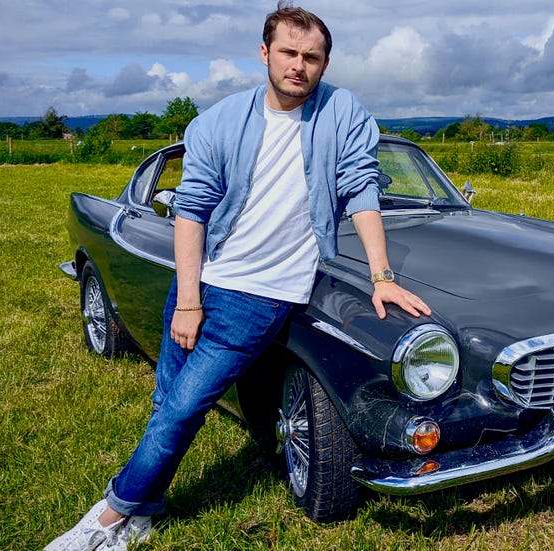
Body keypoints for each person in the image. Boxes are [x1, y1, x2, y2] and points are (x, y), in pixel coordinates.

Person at [46, 3, 430, 550]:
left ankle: (108, 516)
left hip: (262, 296)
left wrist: (382, 274)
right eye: (289, 53)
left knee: (183, 407)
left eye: (312, 57)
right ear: (265, 53)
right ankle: (145, 512)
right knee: (167, 403)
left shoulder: (343, 113)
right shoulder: (219, 122)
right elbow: (192, 210)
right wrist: (187, 299)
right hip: (202, 282)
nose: (299, 65)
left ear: (325, 63)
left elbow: (362, 191)